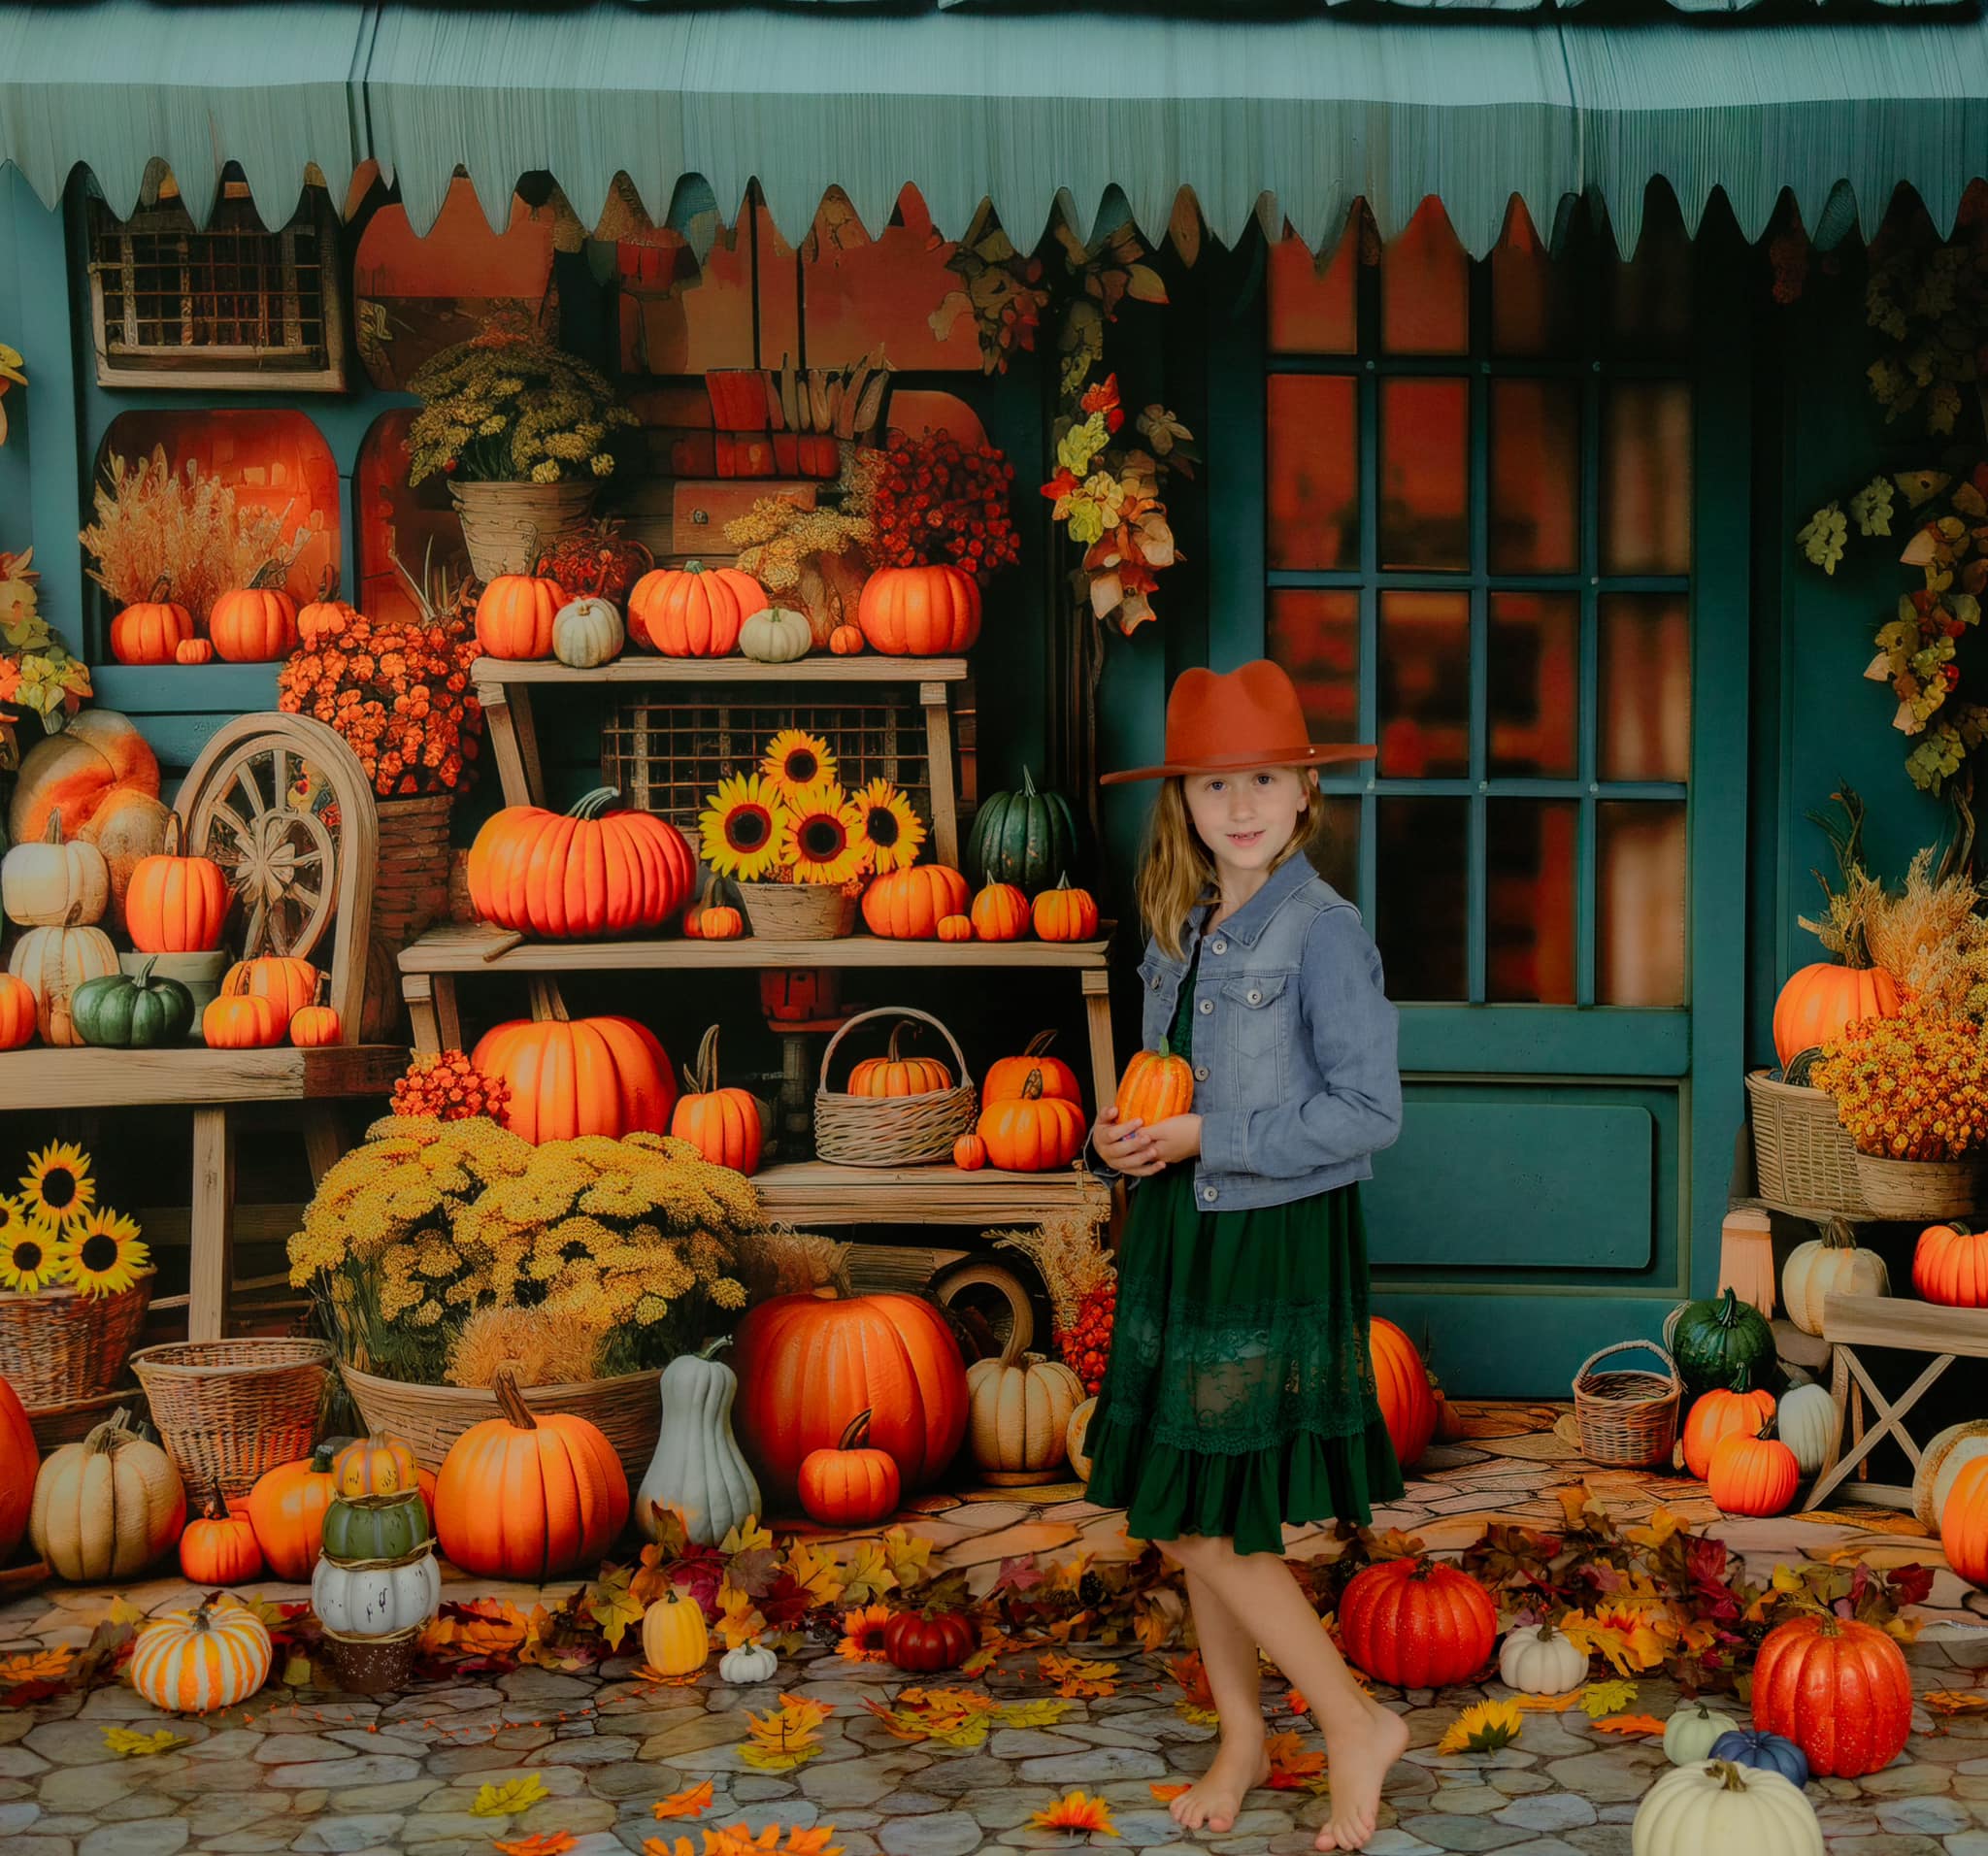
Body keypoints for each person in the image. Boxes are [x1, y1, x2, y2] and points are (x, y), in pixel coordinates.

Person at [1084, 659, 1410, 1853]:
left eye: (1262, 779)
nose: (1239, 805)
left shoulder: (1323, 932)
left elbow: (1368, 1111)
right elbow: (1159, 1076)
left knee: (1205, 1514)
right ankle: (1240, 1736)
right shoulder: (1179, 921)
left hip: (1268, 1235)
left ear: (1304, 788)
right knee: (1195, 1508)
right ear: (1182, 799)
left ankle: (1350, 1720)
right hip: (1182, 1223)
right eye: (1215, 783)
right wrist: (1119, 1137)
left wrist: (1205, 1134)